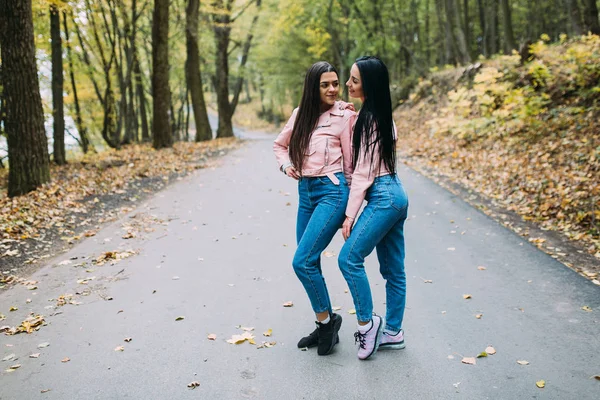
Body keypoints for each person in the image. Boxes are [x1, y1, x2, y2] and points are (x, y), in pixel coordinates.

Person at [273, 61, 356, 356]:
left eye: (335, 83)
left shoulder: (344, 116)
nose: (333, 89)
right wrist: (287, 165)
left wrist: (352, 209)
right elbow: (279, 146)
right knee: (311, 262)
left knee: (302, 261)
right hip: (305, 193)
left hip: (332, 193)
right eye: (325, 85)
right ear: (313, 87)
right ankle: (325, 324)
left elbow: (351, 165)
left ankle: (327, 323)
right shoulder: (301, 115)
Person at [338, 56, 409, 360]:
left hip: (382, 195)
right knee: (394, 270)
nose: (347, 84)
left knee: (349, 258)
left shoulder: (369, 119)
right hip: (396, 194)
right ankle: (393, 332)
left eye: (354, 80)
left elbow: (364, 173)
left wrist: (349, 215)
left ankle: (369, 325)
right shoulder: (380, 115)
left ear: (369, 84)